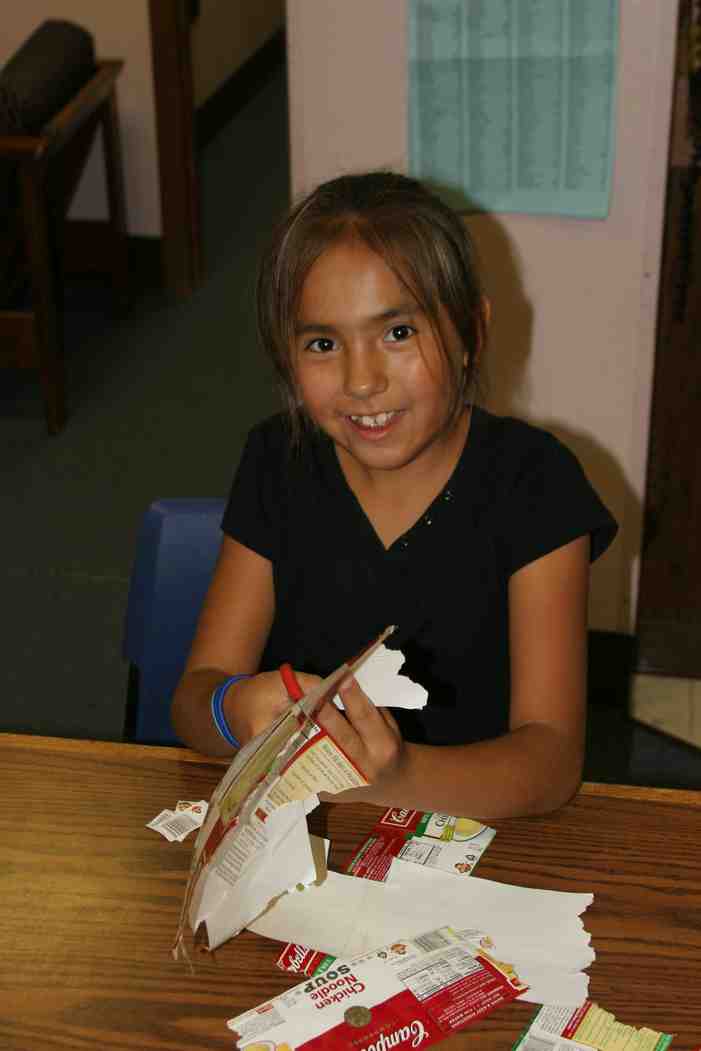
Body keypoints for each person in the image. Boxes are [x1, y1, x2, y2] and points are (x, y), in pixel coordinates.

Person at [171, 171, 617, 819]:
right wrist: (231, 706)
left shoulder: (536, 483)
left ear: (470, 333)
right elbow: (193, 697)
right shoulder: (278, 460)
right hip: (303, 833)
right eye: (322, 343)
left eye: (397, 332)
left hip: (476, 832)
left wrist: (398, 773)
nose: (361, 380)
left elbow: (551, 761)